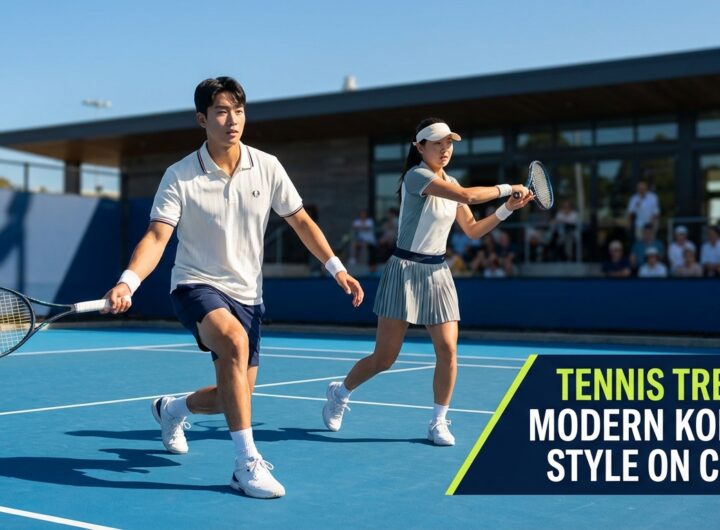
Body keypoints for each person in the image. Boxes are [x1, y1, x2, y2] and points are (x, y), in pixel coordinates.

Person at [102, 77, 363, 499]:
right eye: (221, 112)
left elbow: (300, 221)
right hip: (195, 285)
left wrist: (336, 268)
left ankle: (173, 409)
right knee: (234, 342)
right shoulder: (179, 175)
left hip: (248, 294)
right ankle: (245, 465)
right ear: (202, 119)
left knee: (233, 396)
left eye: (238, 111)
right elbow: (157, 236)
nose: (232, 120)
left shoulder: (268, 166)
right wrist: (127, 281)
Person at [320, 117, 532, 445]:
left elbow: (473, 230)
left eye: (449, 143)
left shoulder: (452, 182)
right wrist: (508, 187)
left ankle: (438, 422)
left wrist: (507, 209)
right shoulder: (416, 176)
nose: (445, 149)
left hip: (437, 273)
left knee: (448, 349)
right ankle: (340, 392)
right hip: (404, 270)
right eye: (437, 143)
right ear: (419, 147)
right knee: (384, 358)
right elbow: (467, 195)